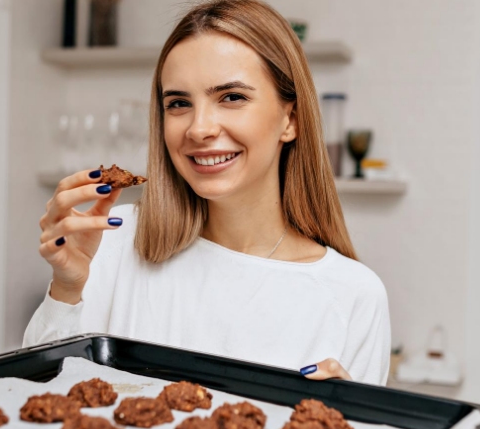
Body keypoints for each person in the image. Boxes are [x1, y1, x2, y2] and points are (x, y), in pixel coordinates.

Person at [25, 0, 390, 385]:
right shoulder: (113, 239)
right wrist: (67, 288)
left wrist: (341, 425)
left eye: (232, 97)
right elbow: (36, 397)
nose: (199, 129)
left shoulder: (355, 296)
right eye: (179, 103)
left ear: (291, 120)